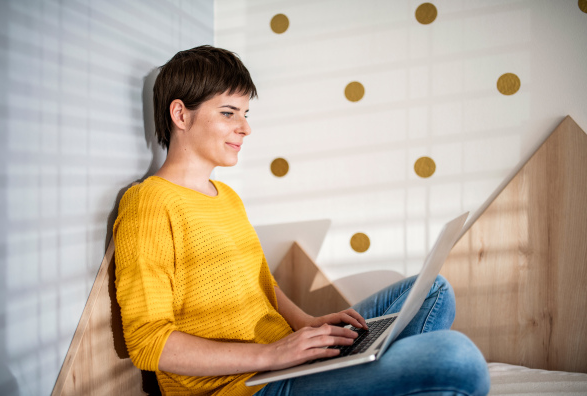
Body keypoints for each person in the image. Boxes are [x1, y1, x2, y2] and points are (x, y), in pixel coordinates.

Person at [113, 45, 490, 396]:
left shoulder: (226, 197)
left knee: (435, 290)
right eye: (229, 113)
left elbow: (262, 284)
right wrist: (272, 356)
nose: (245, 128)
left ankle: (367, 366)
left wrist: (304, 324)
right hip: (249, 384)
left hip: (286, 358)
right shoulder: (149, 203)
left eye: (246, 114)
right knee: (457, 357)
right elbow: (150, 344)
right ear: (180, 114)